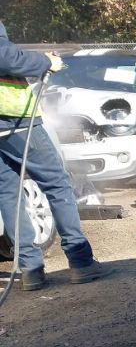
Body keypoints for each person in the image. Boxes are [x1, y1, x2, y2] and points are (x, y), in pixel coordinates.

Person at [0, 20, 110, 291]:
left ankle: (30, 270)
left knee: (8, 194)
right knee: (57, 183)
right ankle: (81, 262)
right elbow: (6, 58)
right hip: (13, 119)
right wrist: (44, 62)